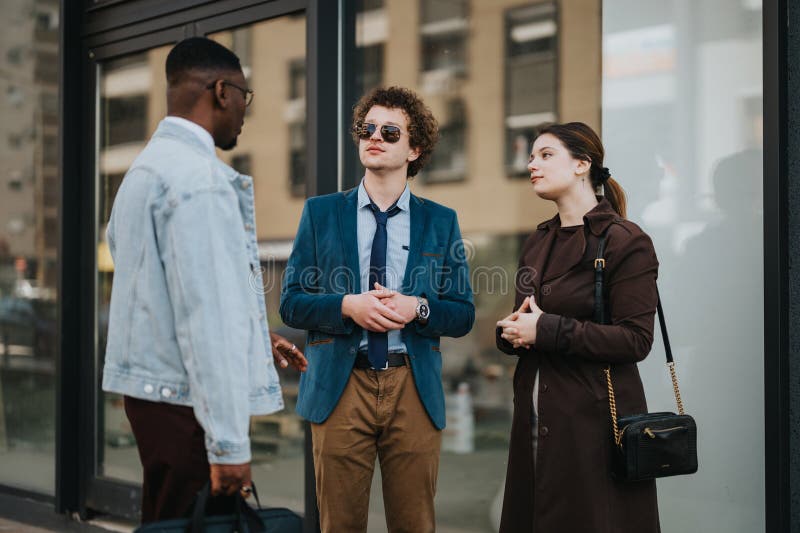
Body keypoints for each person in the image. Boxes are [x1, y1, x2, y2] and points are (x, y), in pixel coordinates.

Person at [101, 37, 307, 523]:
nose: (243, 112)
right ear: (220, 91)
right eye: (244, 97)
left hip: (155, 401)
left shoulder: (143, 173)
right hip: (189, 406)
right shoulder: (200, 180)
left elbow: (160, 293)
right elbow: (205, 319)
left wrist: (255, 339)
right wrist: (230, 444)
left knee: (168, 522)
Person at [280, 86, 474, 533]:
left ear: (415, 148)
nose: (376, 137)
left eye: (390, 132)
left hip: (413, 387)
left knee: (414, 525)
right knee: (340, 525)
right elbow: (291, 303)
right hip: (340, 388)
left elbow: (462, 313)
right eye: (369, 128)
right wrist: (348, 305)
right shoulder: (320, 213)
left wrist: (417, 309)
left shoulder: (441, 220)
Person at [496, 122, 660, 532]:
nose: (532, 164)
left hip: (593, 427)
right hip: (534, 418)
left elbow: (636, 340)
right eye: (531, 156)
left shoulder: (626, 241)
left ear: (582, 164)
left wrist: (545, 329)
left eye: (545, 155)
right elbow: (527, 318)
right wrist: (511, 332)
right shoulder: (538, 241)